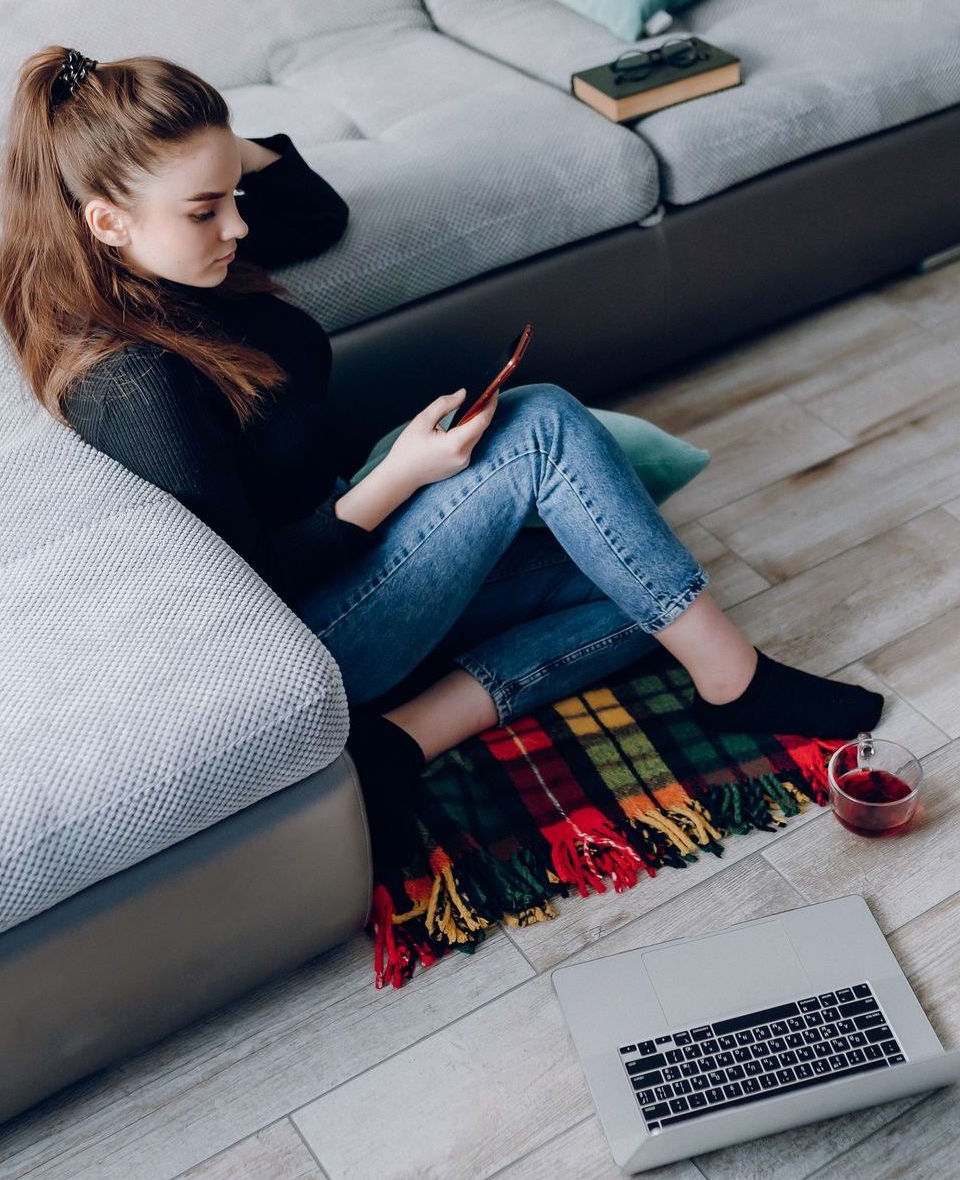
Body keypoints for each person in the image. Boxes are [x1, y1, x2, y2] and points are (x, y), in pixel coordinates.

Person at [0, 48, 884, 869]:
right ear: (105, 220)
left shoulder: (170, 256)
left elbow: (315, 210)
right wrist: (401, 479)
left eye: (230, 195)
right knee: (542, 427)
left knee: (634, 573)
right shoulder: (136, 379)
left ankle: (400, 741)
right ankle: (737, 684)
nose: (237, 225)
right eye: (206, 208)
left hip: (355, 570)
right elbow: (248, 589)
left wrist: (208, 147)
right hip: (310, 630)